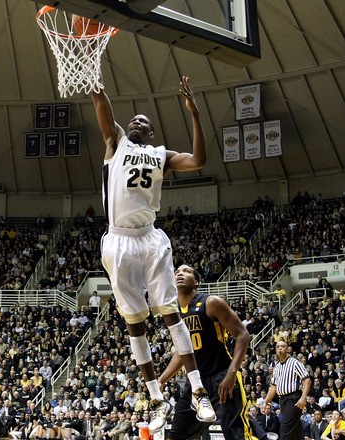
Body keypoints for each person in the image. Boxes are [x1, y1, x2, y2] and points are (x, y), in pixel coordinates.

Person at [92, 76, 214, 433]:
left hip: (150, 238)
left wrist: (194, 114)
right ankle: (156, 396)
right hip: (118, 240)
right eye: (132, 120)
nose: (135, 122)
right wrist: (93, 74)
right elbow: (101, 103)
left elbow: (200, 160)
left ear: (152, 133)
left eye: (142, 122)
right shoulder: (115, 143)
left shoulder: (162, 155)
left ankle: (197, 390)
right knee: (135, 322)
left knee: (171, 313)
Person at [158, 264, 265, 440]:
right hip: (196, 381)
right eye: (177, 272)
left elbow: (243, 335)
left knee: (237, 435)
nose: (180, 274)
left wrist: (231, 373)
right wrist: (162, 379)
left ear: (197, 282)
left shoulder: (211, 302)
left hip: (221, 375)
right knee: (176, 434)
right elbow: (182, 351)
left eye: (186, 271)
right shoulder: (174, 312)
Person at [261, 340, 312, 439]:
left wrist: (303, 398)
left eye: (282, 346)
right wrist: (265, 402)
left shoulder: (295, 363)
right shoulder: (277, 367)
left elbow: (307, 380)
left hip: (294, 398)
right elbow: (273, 387)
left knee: (285, 428)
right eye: (278, 346)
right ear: (275, 350)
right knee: (296, 429)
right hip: (283, 399)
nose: (280, 348)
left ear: (287, 349)